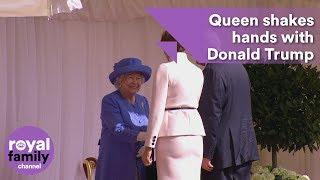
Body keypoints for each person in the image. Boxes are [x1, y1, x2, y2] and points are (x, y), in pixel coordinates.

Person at [142, 31, 206, 180]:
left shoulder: (165, 68)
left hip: (172, 134)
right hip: (195, 134)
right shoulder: (198, 72)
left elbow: (157, 111)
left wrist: (149, 145)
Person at [95, 57, 153, 180]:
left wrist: (147, 146)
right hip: (116, 160)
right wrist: (145, 136)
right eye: (130, 77)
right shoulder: (110, 100)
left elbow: (150, 126)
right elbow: (118, 129)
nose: (135, 82)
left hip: (140, 162)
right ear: (120, 80)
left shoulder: (143, 101)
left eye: (138, 78)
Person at [198, 63, 260, 180]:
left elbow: (211, 115)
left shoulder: (212, 70)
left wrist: (207, 153)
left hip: (221, 154)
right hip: (244, 147)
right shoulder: (239, 66)